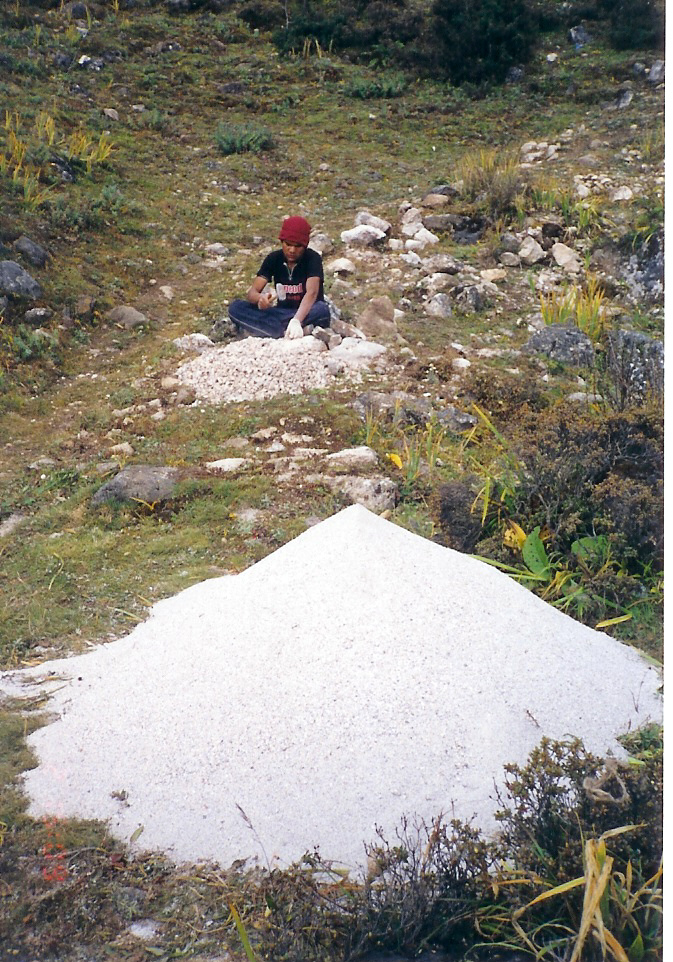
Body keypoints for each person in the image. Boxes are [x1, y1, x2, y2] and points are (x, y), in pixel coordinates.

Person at [228, 216, 331, 339]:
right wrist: (260, 298)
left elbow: (312, 293)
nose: (292, 250)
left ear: (305, 245)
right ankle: (283, 329)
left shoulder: (313, 258)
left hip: (306, 310)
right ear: (282, 242)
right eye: (288, 244)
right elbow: (252, 292)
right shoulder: (273, 258)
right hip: (281, 311)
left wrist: (297, 320)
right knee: (236, 307)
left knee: (322, 309)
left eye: (298, 246)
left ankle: (273, 330)